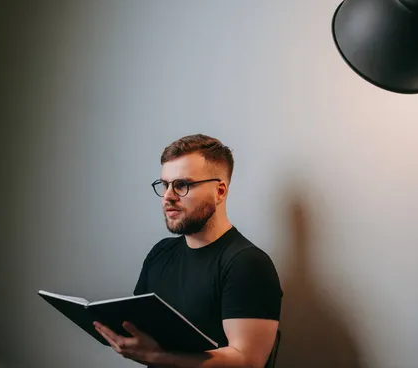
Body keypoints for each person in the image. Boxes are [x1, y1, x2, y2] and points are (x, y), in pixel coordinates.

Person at [94, 134, 283, 368]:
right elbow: (140, 327)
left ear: (220, 192)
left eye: (182, 185)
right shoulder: (160, 253)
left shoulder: (247, 263)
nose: (167, 197)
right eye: (164, 185)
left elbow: (248, 361)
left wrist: (156, 357)